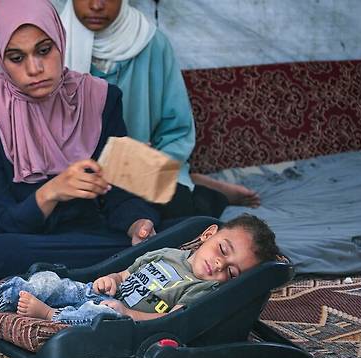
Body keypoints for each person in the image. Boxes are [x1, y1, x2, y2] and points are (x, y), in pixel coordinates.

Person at [0, 0, 172, 284]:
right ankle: (118, 267)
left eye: (44, 50)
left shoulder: (100, 97)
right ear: (0, 57)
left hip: (88, 236)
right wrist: (52, 192)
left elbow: (119, 193)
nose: (34, 68)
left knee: (181, 221)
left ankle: (99, 267)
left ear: (60, 40)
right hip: (21, 241)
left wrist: (138, 225)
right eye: (17, 58)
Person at [61, 0, 260, 219]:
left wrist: (147, 160)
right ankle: (194, 180)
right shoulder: (50, 44)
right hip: (72, 166)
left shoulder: (151, 43)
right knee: (77, 216)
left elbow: (177, 129)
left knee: (177, 212)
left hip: (137, 168)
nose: (96, 5)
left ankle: (206, 192)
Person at [0, 214, 279, 326]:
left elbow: (174, 320)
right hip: (97, 294)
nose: (219, 266)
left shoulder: (203, 290)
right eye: (222, 251)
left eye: (232, 273)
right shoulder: (169, 253)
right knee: (47, 280)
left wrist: (130, 314)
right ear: (208, 235)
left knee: (103, 317)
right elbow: (126, 274)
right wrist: (110, 279)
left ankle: (50, 317)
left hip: (122, 318)